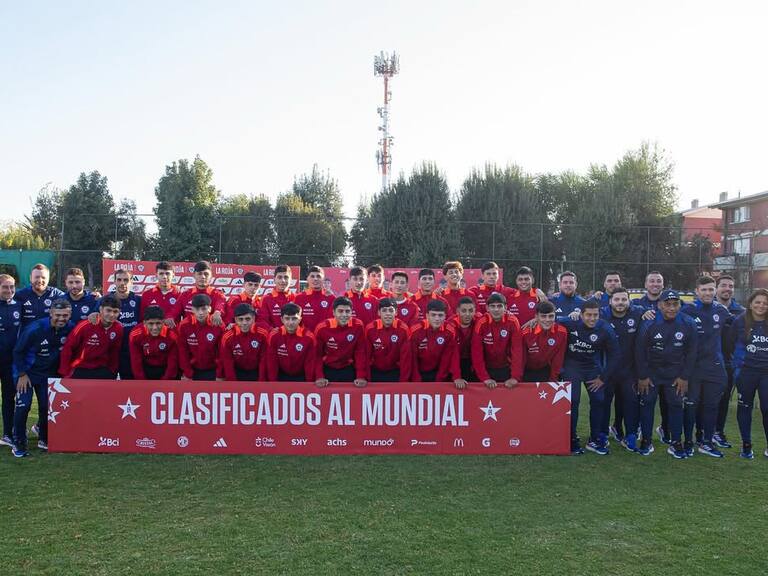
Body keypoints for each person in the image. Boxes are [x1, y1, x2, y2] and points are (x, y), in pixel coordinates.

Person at [635, 290, 698, 458]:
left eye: (675, 304)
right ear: (659, 305)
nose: (671, 308)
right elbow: (639, 351)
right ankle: (646, 440)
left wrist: (684, 377)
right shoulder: (649, 323)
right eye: (667, 304)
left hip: (675, 374)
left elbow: (692, 353)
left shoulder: (688, 323)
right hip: (651, 373)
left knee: (676, 405)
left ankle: (676, 442)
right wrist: (642, 376)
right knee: (647, 403)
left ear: (679, 305)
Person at [11, 299, 74, 457]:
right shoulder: (35, 328)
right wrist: (22, 374)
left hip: (48, 374)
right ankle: (18, 442)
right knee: (23, 406)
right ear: (51, 313)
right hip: (27, 373)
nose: (61, 319)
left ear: (70, 315)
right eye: (58, 315)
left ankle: (44, 438)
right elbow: (18, 352)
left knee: (47, 407)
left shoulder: (71, 328)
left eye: (65, 315)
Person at [560, 300, 620, 455]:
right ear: (581, 315)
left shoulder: (605, 329)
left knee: (599, 400)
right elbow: (549, 319)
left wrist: (603, 378)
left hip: (592, 368)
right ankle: (571, 439)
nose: (592, 318)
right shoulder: (570, 323)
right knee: (573, 401)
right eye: (588, 315)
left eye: (595, 315)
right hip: (572, 366)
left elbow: (615, 356)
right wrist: (534, 320)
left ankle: (595, 439)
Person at [681, 276, 730, 458]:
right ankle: (688, 442)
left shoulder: (721, 310)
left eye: (711, 289)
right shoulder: (687, 310)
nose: (708, 293)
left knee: (711, 406)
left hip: (715, 368)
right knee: (691, 406)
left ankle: (706, 442)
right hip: (693, 368)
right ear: (697, 291)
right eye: (704, 290)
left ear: (715, 290)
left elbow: (741, 326)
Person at [600, 288, 645, 451]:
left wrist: (649, 313)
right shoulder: (601, 314)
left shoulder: (638, 313)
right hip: (607, 371)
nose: (620, 303)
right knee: (603, 403)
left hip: (629, 371)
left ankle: (631, 435)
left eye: (624, 299)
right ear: (610, 301)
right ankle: (602, 435)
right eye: (617, 299)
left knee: (631, 403)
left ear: (629, 301)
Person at [730, 288, 768, 459]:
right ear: (751, 304)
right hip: (746, 373)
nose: (761, 306)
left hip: (766, 373)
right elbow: (730, 344)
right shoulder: (740, 321)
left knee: (766, 408)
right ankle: (746, 445)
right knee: (745, 407)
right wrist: (738, 365)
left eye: (765, 303)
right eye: (758, 302)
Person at [714, 274, 745, 448]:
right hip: (708, 362)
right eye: (724, 285)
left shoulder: (740, 311)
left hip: (729, 363)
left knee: (724, 399)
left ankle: (718, 432)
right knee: (704, 400)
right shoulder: (708, 308)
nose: (727, 289)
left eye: (731, 286)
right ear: (717, 288)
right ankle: (702, 432)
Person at [59, 295, 123, 379]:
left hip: (102, 369)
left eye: (115, 312)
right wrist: (64, 372)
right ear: (101, 309)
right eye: (108, 310)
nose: (111, 314)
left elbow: (114, 352)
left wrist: (113, 371)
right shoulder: (85, 324)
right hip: (81, 367)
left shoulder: (118, 328)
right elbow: (68, 347)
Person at [471, 292, 523, 390]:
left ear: (506, 307)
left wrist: (515, 377)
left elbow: (517, 350)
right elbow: (476, 352)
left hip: (505, 368)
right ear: (487, 308)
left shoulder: (513, 321)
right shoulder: (481, 322)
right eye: (492, 306)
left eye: (499, 306)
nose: (496, 309)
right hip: (485, 368)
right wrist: (484, 377)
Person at [409, 299, 466, 389]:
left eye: (440, 315)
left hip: (438, 372)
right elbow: (412, 358)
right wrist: (416, 379)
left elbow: (451, 356)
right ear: (427, 315)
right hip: (418, 372)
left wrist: (456, 377)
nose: (437, 318)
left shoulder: (449, 331)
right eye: (433, 315)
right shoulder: (416, 330)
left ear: (445, 316)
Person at [313, 296, 367, 387]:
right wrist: (319, 376)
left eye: (347, 311)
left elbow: (360, 352)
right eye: (340, 311)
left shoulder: (358, 326)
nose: (344, 315)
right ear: (333, 312)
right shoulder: (322, 328)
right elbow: (317, 355)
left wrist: (361, 376)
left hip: (348, 368)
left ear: (351, 312)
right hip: (328, 369)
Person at [177, 293, 223, 381]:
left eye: (204, 309)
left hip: (213, 371)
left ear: (210, 309)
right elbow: (182, 351)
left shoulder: (219, 325)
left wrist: (219, 374)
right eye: (197, 309)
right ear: (192, 310)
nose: (201, 313)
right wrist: (187, 373)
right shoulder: (184, 325)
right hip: (193, 370)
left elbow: (222, 352)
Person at [364, 298, 411, 382]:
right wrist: (366, 378)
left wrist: (404, 381)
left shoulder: (403, 329)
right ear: (379, 312)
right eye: (384, 310)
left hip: (395, 372)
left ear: (396, 312)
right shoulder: (370, 328)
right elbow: (366, 357)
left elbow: (405, 359)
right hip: (375, 371)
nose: (388, 314)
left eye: (390, 310)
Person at [265, 303, 316, 382]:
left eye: (294, 318)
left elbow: (310, 363)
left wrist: (309, 384)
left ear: (300, 319)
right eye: (287, 318)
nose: (290, 322)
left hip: (301, 376)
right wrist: (273, 383)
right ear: (282, 319)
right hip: (281, 375)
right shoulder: (274, 335)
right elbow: (272, 362)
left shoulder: (309, 337)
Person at [219, 303, 269, 381]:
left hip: (256, 372)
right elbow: (227, 361)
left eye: (248, 319)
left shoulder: (262, 332)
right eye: (240, 319)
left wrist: (261, 381)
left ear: (253, 318)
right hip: (237, 372)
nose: (244, 323)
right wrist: (232, 383)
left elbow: (263, 359)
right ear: (235, 320)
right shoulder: (228, 336)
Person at [107, 269, 141, 379]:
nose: (122, 283)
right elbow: (93, 316)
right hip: (110, 350)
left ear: (131, 282)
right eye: (119, 280)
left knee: (130, 383)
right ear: (114, 282)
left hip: (131, 350)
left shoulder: (138, 300)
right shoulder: (105, 300)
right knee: (107, 384)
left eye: (126, 280)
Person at [128, 305, 179, 380]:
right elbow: (136, 361)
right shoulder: (135, 334)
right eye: (151, 324)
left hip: (165, 368)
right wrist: (142, 382)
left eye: (158, 323)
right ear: (145, 323)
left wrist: (165, 381)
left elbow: (173, 363)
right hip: (146, 368)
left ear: (163, 322)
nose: (155, 328)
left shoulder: (172, 335)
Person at [521, 300, 567, 382]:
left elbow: (558, 359)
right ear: (536, 317)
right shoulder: (526, 333)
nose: (547, 320)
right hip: (526, 370)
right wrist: (518, 378)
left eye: (551, 316)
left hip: (545, 370)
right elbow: (521, 358)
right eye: (543, 316)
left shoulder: (562, 332)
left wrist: (553, 379)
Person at [0, 274, 21, 447]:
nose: (9, 291)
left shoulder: (18, 305)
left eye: (12, 287)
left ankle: (7, 434)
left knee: (9, 398)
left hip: (10, 362)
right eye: (5, 287)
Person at [175, 261, 228, 325]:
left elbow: (220, 305)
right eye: (199, 274)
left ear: (211, 276)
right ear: (194, 275)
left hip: (210, 332)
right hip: (189, 332)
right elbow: (174, 311)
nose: (203, 277)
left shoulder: (218, 294)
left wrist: (217, 312)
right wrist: (170, 317)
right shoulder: (185, 294)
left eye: (206, 274)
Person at [15, 263, 65, 328]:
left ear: (48, 279)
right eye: (37, 277)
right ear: (30, 278)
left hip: (49, 336)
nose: (40, 280)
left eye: (43, 277)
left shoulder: (56, 294)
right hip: (28, 336)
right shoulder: (20, 295)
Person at [140, 261, 183, 326]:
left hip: (173, 334)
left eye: (167, 273)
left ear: (173, 275)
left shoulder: (180, 295)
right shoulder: (147, 294)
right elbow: (142, 319)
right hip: (153, 334)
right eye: (161, 274)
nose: (164, 277)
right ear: (156, 275)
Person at [294, 266, 334, 332]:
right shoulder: (299, 298)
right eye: (312, 276)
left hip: (325, 339)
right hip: (305, 339)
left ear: (323, 279)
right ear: (307, 279)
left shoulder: (331, 298)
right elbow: (295, 321)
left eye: (318, 276)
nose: (315, 279)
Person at [449, 296, 480, 382]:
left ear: (475, 311)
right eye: (463, 311)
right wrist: (456, 376)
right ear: (457, 311)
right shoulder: (450, 325)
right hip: (453, 361)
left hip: (473, 361)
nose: (467, 314)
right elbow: (452, 354)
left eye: (470, 311)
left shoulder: (479, 321)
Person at [260, 264, 296, 329]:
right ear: (274, 279)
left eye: (286, 277)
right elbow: (263, 321)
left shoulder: (296, 298)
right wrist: (273, 331)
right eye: (279, 277)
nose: (283, 280)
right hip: (274, 337)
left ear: (291, 280)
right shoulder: (266, 299)